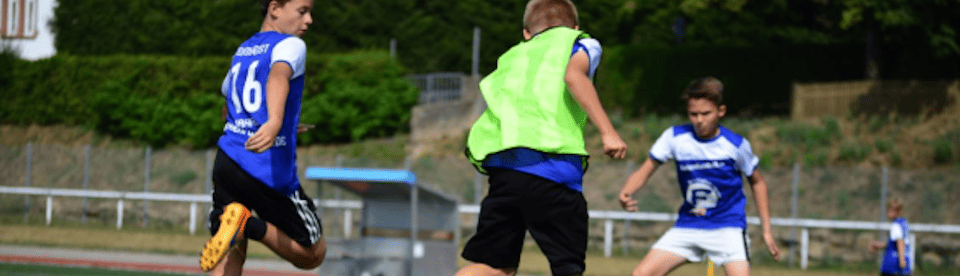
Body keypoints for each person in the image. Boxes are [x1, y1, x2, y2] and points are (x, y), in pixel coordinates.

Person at [456, 0, 628, 275]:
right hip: (552, 171)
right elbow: (574, 77)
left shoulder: (512, 56)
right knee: (567, 267)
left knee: (492, 266)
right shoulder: (580, 42)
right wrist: (609, 132)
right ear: (574, 26)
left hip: (505, 174)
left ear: (526, 32)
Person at [199, 0, 325, 275]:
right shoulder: (290, 44)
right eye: (302, 11)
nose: (309, 20)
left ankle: (238, 226)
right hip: (265, 169)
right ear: (275, 8)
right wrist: (275, 122)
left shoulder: (243, 52)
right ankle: (248, 225)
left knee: (229, 251)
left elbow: (228, 107)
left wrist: (278, 123)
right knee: (313, 255)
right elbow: (278, 76)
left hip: (228, 162)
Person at [618, 77, 780, 276]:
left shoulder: (735, 145)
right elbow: (646, 169)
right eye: (693, 114)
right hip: (689, 224)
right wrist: (627, 191)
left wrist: (767, 230)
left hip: (727, 226)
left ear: (721, 111)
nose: (699, 120)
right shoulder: (674, 137)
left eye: (706, 113)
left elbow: (758, 181)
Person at [869, 198, 911, 276]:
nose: (889, 212)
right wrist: (879, 245)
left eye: (893, 210)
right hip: (905, 265)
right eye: (889, 209)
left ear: (899, 211)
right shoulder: (904, 223)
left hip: (893, 266)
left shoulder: (895, 225)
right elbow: (895, 243)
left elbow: (900, 242)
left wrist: (902, 261)